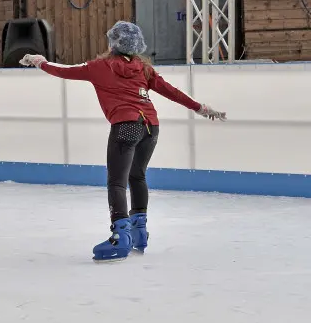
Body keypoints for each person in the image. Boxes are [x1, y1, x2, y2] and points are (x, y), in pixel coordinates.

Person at [20, 21, 226, 263]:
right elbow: (172, 91)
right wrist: (201, 108)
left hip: (126, 126)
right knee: (137, 176)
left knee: (116, 182)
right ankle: (140, 232)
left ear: (113, 43)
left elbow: (63, 70)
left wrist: (39, 61)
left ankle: (120, 236)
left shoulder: (99, 67)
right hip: (151, 127)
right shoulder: (143, 69)